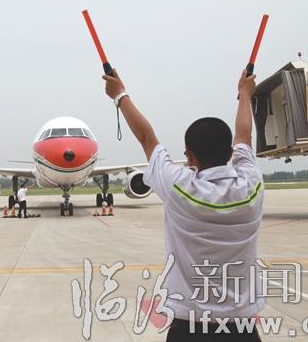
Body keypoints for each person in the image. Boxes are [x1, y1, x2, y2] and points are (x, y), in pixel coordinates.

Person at [102, 69, 263, 341]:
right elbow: (244, 137)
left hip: (189, 327)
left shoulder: (179, 187)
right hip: (241, 329)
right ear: (229, 154)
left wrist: (119, 95)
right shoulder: (252, 186)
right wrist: (245, 94)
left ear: (189, 156)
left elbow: (147, 137)